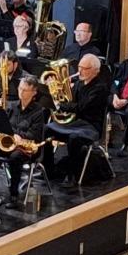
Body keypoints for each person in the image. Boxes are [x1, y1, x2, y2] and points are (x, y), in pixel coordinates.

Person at [42, 54, 107, 186]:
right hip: (75, 123)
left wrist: (60, 105)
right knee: (46, 129)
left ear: (95, 71)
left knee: (74, 138)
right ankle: (48, 170)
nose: (79, 71)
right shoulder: (78, 84)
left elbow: (81, 107)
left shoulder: (100, 88)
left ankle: (72, 175)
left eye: (85, 68)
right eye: (79, 67)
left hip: (90, 127)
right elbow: (71, 104)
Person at [2, 76, 44, 208]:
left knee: (15, 158)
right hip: (10, 144)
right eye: (20, 88)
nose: (21, 92)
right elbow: (5, 126)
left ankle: (14, 195)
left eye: (25, 90)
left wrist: (19, 136)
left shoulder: (39, 111)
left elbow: (35, 135)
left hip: (28, 148)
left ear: (34, 92)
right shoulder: (12, 106)